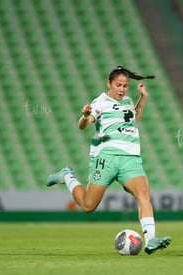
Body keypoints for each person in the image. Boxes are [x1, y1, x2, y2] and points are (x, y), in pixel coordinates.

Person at [46, 65, 171, 254]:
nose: (122, 89)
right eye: (118, 85)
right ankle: (67, 176)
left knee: (143, 195)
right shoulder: (100, 102)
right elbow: (83, 125)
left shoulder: (128, 101)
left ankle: (151, 240)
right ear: (109, 84)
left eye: (125, 86)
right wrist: (85, 115)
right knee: (88, 206)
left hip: (130, 158)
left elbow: (133, 121)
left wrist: (143, 98)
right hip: (106, 158)